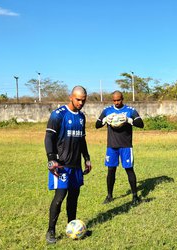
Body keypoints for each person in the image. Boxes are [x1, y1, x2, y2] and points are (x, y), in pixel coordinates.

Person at [44, 86, 92, 244]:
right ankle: (51, 230)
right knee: (59, 197)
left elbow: (82, 139)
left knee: (74, 197)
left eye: (83, 100)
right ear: (71, 97)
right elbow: (49, 137)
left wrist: (86, 158)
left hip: (76, 165)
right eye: (78, 99)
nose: (81, 103)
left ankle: (72, 226)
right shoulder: (58, 115)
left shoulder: (81, 117)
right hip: (61, 165)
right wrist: (51, 159)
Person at [95, 90, 144, 205]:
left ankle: (135, 196)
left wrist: (128, 120)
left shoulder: (130, 111)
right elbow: (97, 125)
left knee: (129, 169)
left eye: (119, 100)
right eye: (114, 100)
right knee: (111, 170)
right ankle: (109, 196)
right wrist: (104, 120)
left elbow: (141, 124)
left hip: (126, 145)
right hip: (111, 146)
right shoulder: (107, 110)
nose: (116, 102)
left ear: (122, 99)